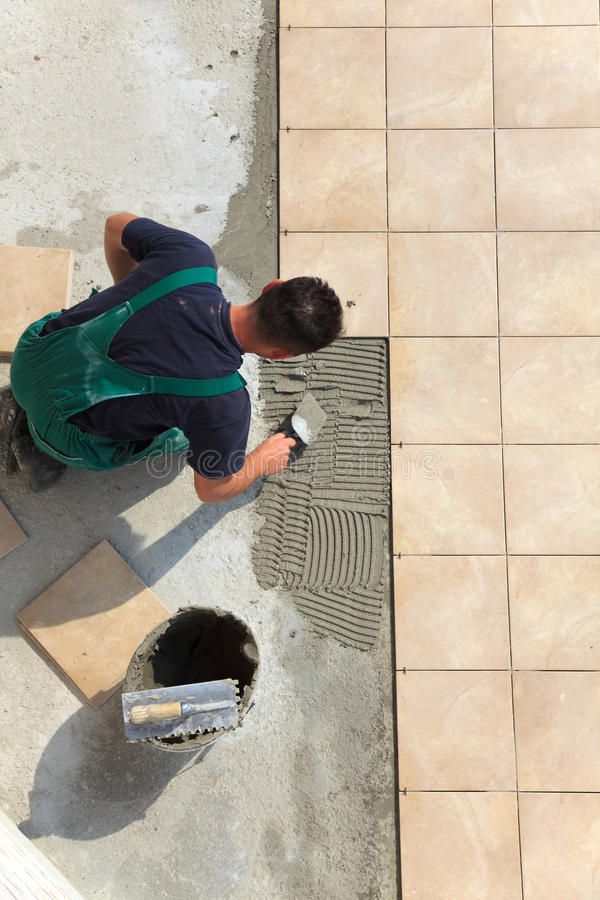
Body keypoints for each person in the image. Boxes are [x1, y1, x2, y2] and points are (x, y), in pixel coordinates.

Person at [1, 214, 343, 498]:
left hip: (31, 355)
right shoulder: (224, 404)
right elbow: (211, 490)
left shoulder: (189, 256)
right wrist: (261, 460)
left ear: (271, 286)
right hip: (59, 430)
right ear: (280, 354)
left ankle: (25, 406)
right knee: (179, 439)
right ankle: (39, 447)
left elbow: (115, 226)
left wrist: (130, 290)